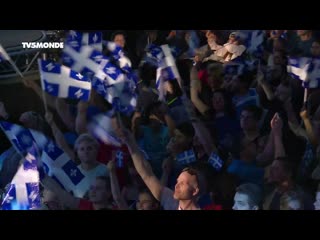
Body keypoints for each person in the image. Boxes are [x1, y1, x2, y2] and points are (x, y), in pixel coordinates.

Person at [116, 125, 206, 210]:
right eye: (178, 181)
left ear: (195, 191)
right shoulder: (172, 202)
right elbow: (146, 175)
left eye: (182, 183)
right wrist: (130, 142)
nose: (176, 185)